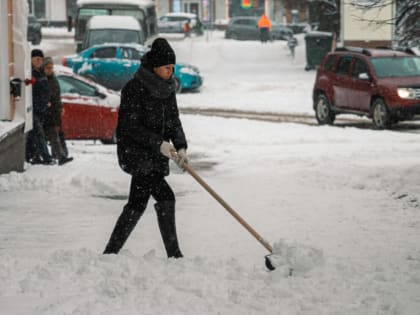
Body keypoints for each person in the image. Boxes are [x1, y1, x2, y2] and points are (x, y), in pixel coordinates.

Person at [103, 38, 188, 258]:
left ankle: (111, 252)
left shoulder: (168, 89)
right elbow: (130, 126)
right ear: (155, 67)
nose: (170, 72)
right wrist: (158, 144)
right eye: (166, 68)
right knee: (165, 197)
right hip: (137, 154)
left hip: (155, 156)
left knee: (137, 203)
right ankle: (174, 254)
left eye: (172, 68)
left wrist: (181, 147)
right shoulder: (134, 88)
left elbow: (173, 120)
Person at [43, 57, 74, 166]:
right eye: (47, 68)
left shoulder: (53, 79)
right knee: (53, 134)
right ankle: (60, 157)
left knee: (58, 133)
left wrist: (60, 107)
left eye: (51, 67)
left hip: (55, 110)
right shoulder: (44, 80)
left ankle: (61, 155)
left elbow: (57, 96)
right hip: (48, 112)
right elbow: (47, 96)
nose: (50, 70)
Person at [26, 49, 54, 165]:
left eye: (41, 59)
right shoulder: (30, 74)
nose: (39, 61)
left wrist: (46, 102)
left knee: (33, 136)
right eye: (37, 59)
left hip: (41, 109)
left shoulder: (41, 72)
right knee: (39, 134)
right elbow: (31, 92)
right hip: (34, 109)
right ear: (31, 59)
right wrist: (39, 104)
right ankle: (46, 158)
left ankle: (32, 156)